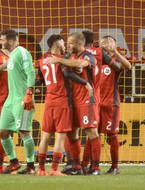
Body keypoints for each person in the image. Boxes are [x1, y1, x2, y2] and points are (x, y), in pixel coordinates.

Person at [46, 32, 120, 175]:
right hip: (72, 100)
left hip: (88, 100)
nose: (68, 45)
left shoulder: (88, 55)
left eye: (71, 43)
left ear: (79, 44)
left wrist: (59, 60)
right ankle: (77, 166)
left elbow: (82, 64)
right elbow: (68, 72)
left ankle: (96, 167)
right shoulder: (69, 57)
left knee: (91, 131)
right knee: (72, 133)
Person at [37, 34, 92, 176]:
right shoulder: (62, 59)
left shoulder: (43, 60)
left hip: (49, 100)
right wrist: (85, 83)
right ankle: (54, 169)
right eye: (62, 43)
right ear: (57, 45)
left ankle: (41, 169)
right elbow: (67, 74)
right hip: (62, 100)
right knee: (60, 136)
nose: (65, 45)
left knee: (45, 136)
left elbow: (40, 79)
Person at [88, 35, 131, 174]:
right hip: (96, 104)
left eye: (109, 43)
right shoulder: (95, 60)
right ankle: (92, 165)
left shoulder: (116, 62)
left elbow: (128, 66)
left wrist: (116, 52)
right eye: (103, 43)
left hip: (111, 104)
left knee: (111, 136)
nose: (106, 45)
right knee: (93, 134)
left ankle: (115, 166)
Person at [0, 29, 36, 174]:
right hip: (10, 100)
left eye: (2, 40)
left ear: (10, 41)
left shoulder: (22, 52)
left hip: (23, 99)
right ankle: (14, 162)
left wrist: (29, 93)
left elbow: (31, 72)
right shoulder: (12, 55)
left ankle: (31, 166)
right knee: (3, 132)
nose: (0, 42)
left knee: (24, 132)